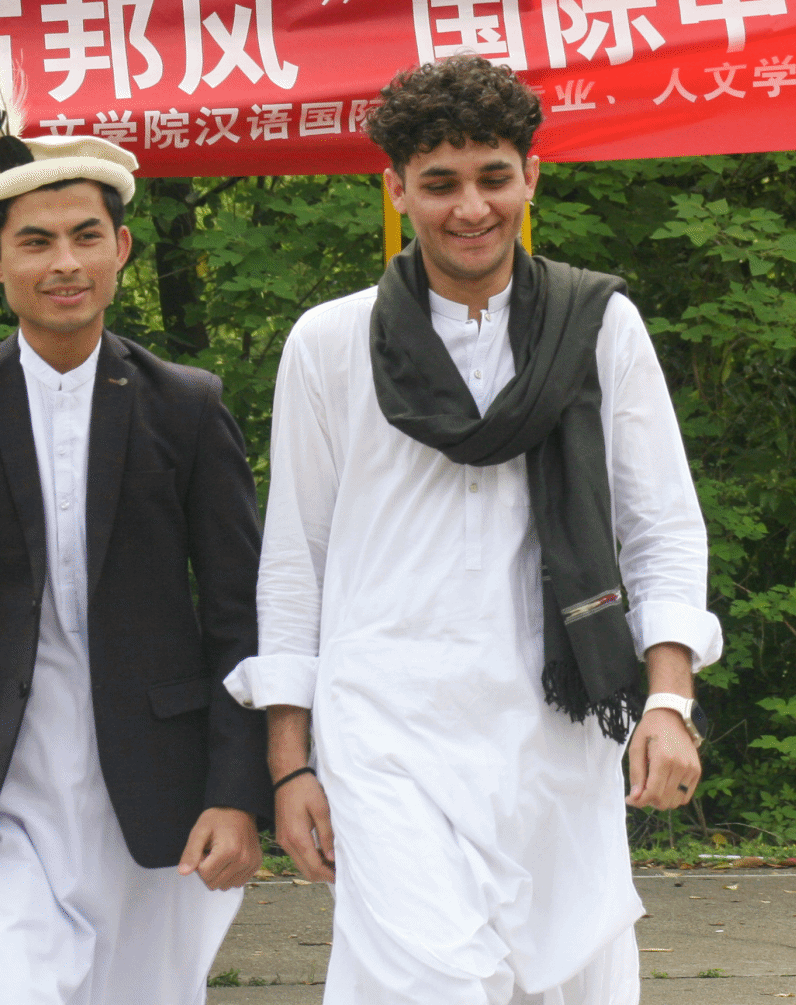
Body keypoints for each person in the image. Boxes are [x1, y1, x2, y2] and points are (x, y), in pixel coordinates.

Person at [224, 54, 722, 1004]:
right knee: (430, 984)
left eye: (493, 177)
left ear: (530, 177)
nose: (470, 207)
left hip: (554, 731)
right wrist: (290, 764)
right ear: (396, 189)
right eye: (440, 182)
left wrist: (669, 701)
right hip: (385, 728)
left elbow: (661, 524)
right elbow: (295, 561)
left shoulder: (598, 327)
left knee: (565, 980)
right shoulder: (329, 342)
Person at [0, 69, 272, 1005]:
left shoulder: (186, 408)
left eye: (85, 236)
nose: (64, 262)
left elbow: (241, 619)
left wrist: (239, 794)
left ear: (122, 248)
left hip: (152, 801)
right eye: (36, 241)